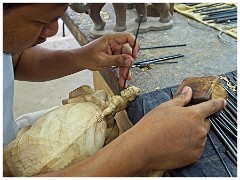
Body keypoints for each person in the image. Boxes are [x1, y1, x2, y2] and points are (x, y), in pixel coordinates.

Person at [3, 3, 226, 177]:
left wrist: (81, 57)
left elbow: (14, 59)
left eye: (58, 17)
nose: (52, 31)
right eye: (42, 20)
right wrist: (140, 149)